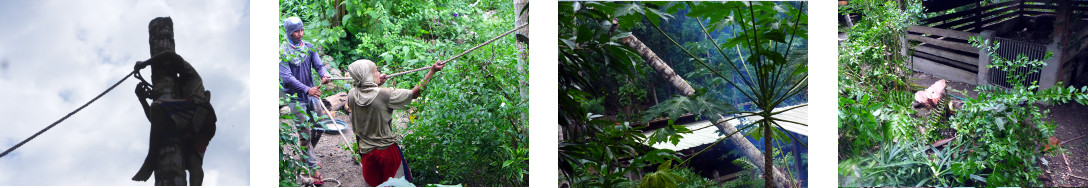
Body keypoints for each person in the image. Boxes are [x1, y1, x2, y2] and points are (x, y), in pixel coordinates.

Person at [132, 17, 216, 186]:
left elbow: (170, 54)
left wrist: (145, 63)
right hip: (201, 124)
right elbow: (159, 123)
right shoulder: (177, 93)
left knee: (158, 106)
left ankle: (151, 158)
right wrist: (142, 100)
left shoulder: (190, 73)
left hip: (198, 110)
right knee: (194, 162)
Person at [345, 59, 443, 186]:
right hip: (387, 151)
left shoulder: (352, 94)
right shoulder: (385, 95)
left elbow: (368, 94)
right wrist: (432, 71)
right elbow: (414, 94)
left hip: (366, 151)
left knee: (374, 184)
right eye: (376, 71)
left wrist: (377, 83)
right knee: (399, 184)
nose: (378, 73)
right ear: (368, 75)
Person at [279, 16, 331, 185]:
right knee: (304, 134)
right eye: (296, 31)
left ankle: (307, 157)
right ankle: (314, 170)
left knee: (320, 125)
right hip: (296, 99)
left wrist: (324, 74)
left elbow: (318, 65)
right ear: (289, 32)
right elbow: (287, 78)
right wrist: (307, 89)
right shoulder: (283, 52)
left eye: (301, 30)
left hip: (312, 95)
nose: (300, 34)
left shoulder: (308, 47)